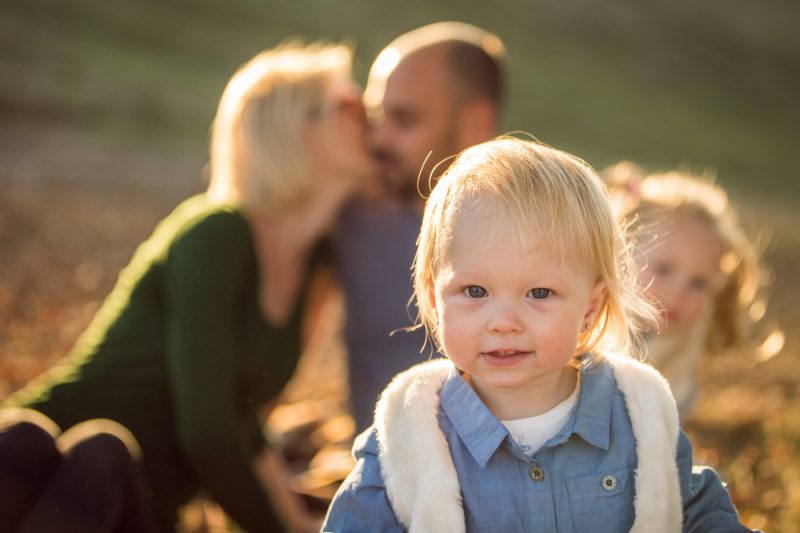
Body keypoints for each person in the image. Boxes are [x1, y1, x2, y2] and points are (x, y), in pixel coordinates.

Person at [1, 42, 374, 532]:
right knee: (67, 446)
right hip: (47, 473)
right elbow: (208, 431)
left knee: (105, 459)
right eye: (349, 104)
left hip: (131, 505)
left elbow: (242, 426)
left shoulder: (314, 267)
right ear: (294, 130)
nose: (370, 117)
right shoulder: (216, 232)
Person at [322, 137, 755, 532]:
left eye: (539, 293)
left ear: (589, 309)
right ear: (436, 302)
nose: (504, 321)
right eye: (475, 291)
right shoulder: (407, 437)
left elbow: (694, 510)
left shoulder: (637, 415)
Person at [335, 21, 506, 432]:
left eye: (404, 119)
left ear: (475, 125)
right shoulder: (351, 217)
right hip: (379, 479)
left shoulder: (526, 235)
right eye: (376, 116)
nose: (379, 139)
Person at [603, 162, 771, 419]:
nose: (678, 295)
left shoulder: (681, 348)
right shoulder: (582, 319)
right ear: (620, 251)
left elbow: (663, 427)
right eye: (664, 269)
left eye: (699, 283)